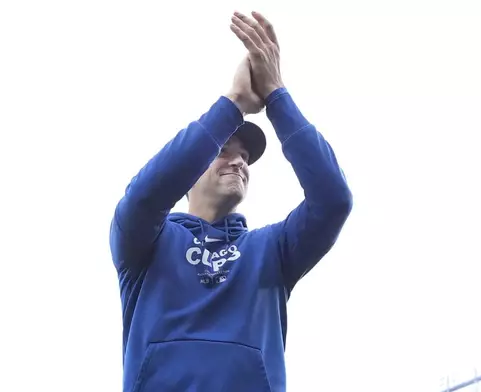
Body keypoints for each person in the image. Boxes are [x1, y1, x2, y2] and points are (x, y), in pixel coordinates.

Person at [109, 10, 353, 392]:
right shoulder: (144, 243)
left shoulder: (272, 249)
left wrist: (277, 96)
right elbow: (143, 197)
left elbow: (333, 199)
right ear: (190, 171)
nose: (239, 160)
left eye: (246, 156)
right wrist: (233, 103)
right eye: (224, 149)